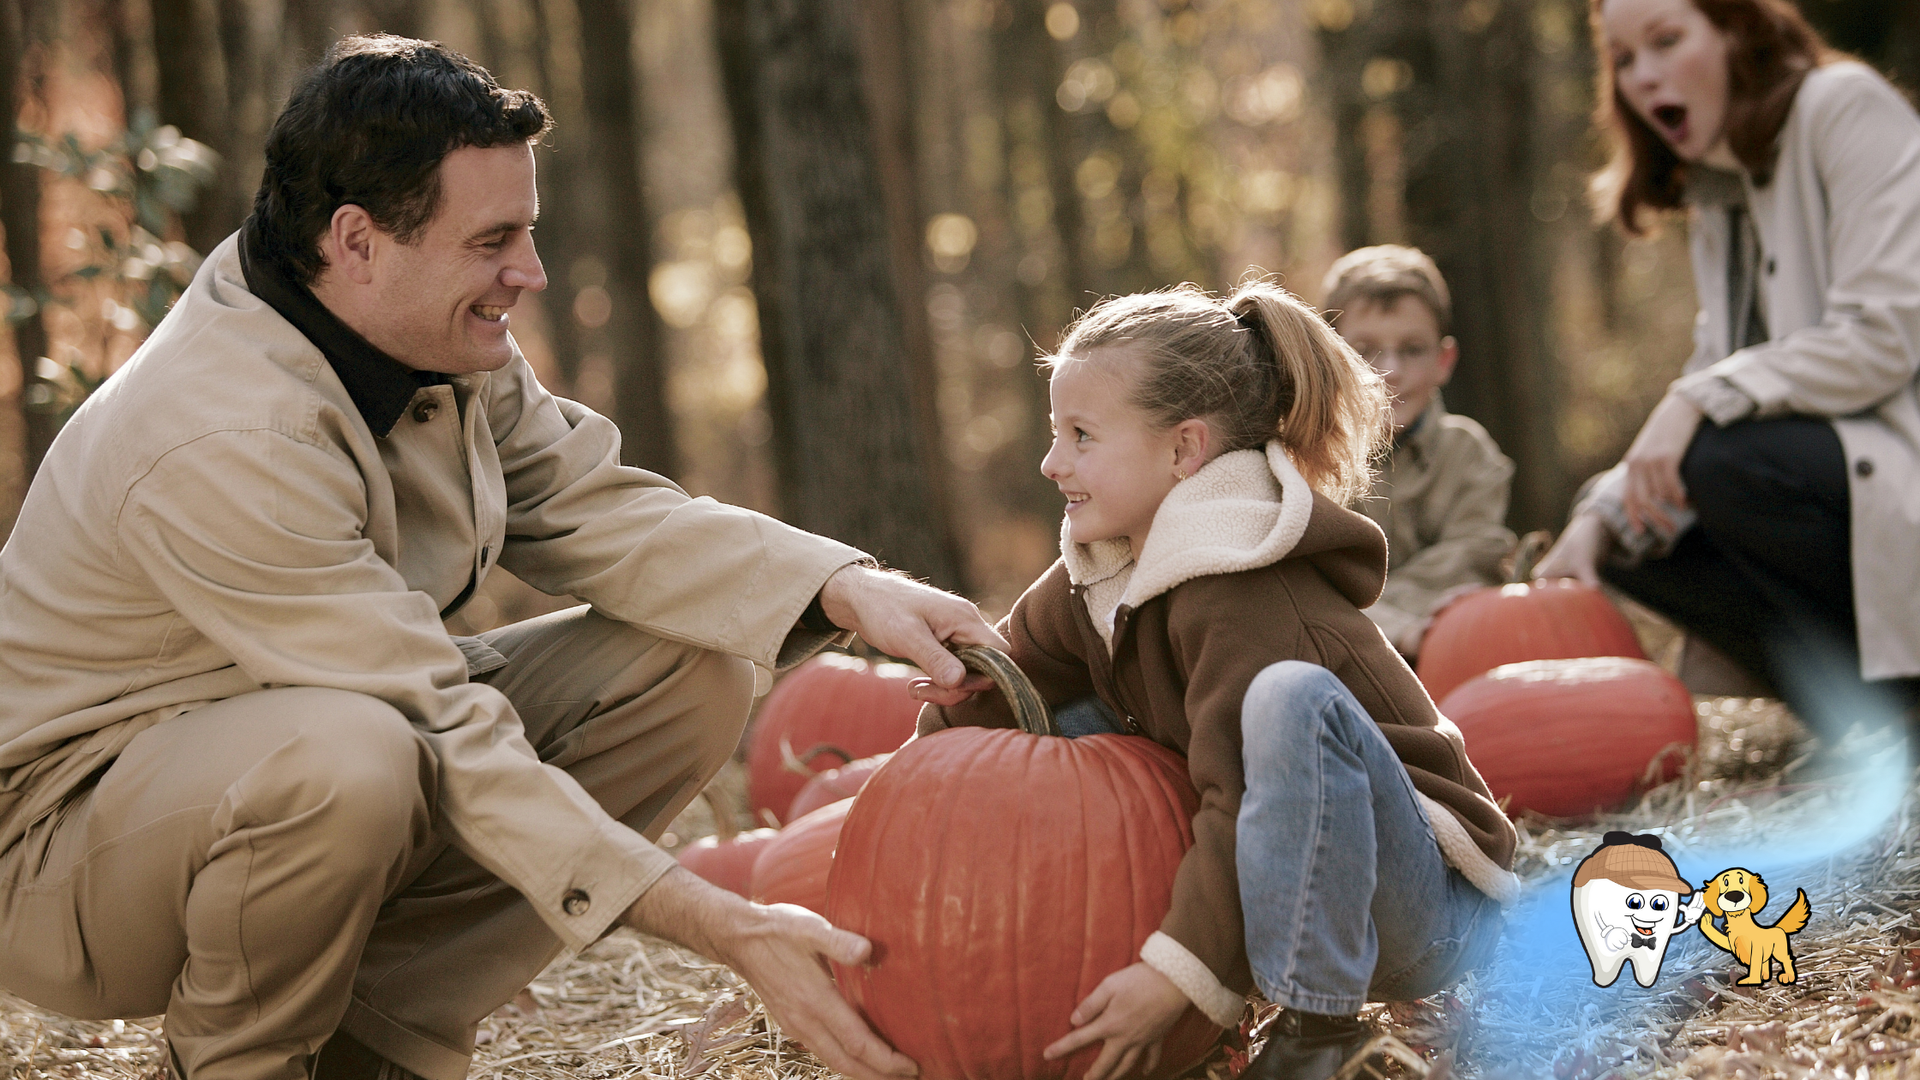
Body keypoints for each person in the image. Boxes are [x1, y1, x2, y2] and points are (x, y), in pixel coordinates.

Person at [0, 35, 1006, 1080]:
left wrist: (849, 588)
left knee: (684, 668)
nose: (527, 275)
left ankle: (371, 1044)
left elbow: (596, 507)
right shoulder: (226, 437)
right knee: (355, 760)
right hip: (66, 841)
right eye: (495, 242)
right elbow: (433, 720)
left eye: (525, 234)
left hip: (288, 734)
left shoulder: (414, 322)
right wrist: (720, 924)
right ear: (357, 240)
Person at [909, 283, 1518, 1080]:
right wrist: (933, 761)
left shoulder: (1242, 583)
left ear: (1184, 451)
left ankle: (1320, 1032)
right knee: (1069, 724)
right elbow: (1018, 678)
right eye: (1056, 432)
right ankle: (1244, 975)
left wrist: (1180, 979)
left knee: (1286, 701)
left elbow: (1235, 790)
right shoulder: (1101, 570)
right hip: (1291, 874)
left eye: (1082, 436)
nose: (1052, 462)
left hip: (1421, 904)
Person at [1532, 0, 1920, 737]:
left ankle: (1896, 697)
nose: (1643, 77)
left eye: (1666, 41)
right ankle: (1859, 718)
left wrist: (1692, 403)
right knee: (1629, 527)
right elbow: (1723, 360)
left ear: (1738, 31)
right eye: (1623, 59)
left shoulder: (1845, 109)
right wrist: (1597, 519)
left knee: (1716, 458)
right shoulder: (1719, 187)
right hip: (1835, 470)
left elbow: (1885, 335)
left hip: (1899, 460)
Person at [1321, 245, 1517, 660]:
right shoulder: (1308, 460)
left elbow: (1475, 554)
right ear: (1328, 358)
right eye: (1365, 351)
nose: (1390, 370)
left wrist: (1379, 614)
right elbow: (1310, 585)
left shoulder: (1469, 456)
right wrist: (1392, 626)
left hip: (1446, 653)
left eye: (1412, 349)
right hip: (1334, 660)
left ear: (1444, 361)